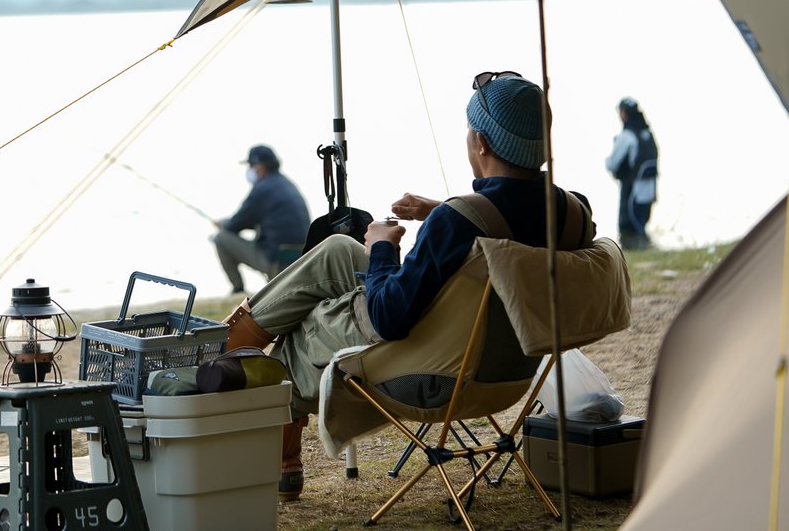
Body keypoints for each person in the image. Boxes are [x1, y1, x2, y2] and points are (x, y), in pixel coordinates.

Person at [220, 72, 595, 501]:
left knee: (302, 325)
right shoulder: (573, 212)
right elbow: (511, 225)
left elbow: (389, 316)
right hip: (511, 368)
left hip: (435, 373)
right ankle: (233, 350)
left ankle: (229, 363)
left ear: (482, 144)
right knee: (339, 250)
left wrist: (382, 248)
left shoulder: (457, 222)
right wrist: (438, 210)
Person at [212, 145, 311, 295]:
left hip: (278, 262)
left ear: (260, 167)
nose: (250, 170)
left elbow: (235, 225)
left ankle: (238, 291)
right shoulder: (287, 184)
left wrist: (223, 223)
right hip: (299, 259)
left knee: (220, 238)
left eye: (251, 166)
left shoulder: (262, 189)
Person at [605, 97, 658, 250]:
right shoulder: (647, 133)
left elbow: (612, 163)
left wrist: (607, 162)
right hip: (648, 192)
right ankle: (645, 247)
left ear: (624, 113)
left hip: (631, 192)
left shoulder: (627, 136)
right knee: (641, 226)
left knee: (628, 231)